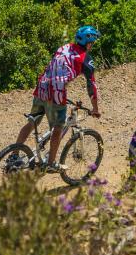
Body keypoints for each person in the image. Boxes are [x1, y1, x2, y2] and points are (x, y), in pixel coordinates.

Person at [13, 25, 102, 173]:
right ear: (88, 43)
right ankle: (51, 163)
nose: (92, 46)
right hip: (56, 92)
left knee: (32, 121)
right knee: (57, 128)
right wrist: (96, 109)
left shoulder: (64, 47)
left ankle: (14, 155)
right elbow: (91, 86)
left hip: (42, 86)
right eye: (92, 43)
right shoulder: (86, 58)